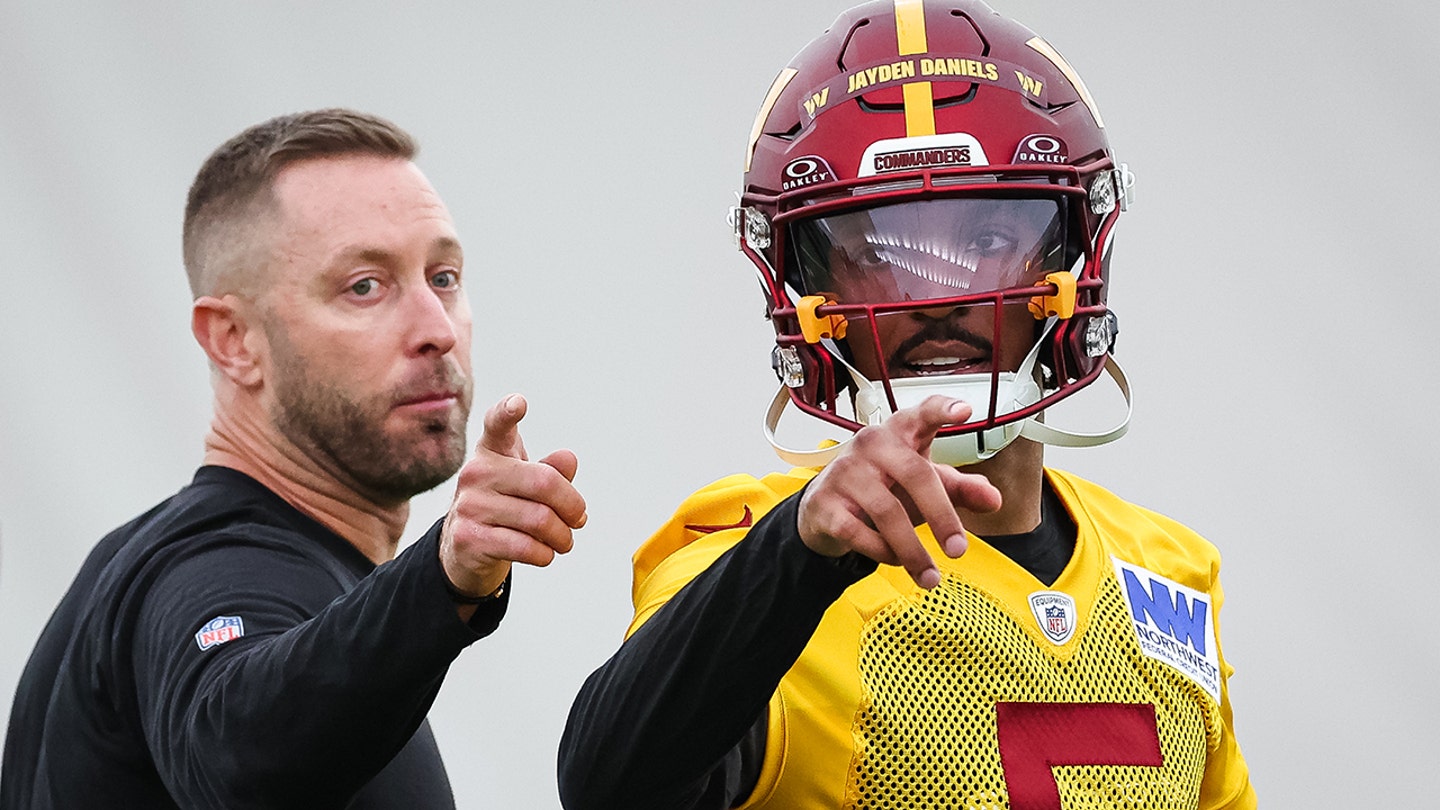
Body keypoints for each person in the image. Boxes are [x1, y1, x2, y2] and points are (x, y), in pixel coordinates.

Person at [557, 2, 1255, 808]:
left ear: (1076, 255)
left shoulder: (1170, 573)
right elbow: (606, 785)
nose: (935, 296)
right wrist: (797, 553)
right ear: (809, 290)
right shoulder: (754, 556)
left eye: (989, 243)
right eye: (878, 251)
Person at [1, 108, 588, 809]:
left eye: (445, 276)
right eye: (364, 285)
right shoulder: (215, 567)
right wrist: (442, 579)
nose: (435, 329)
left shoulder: (208, 561)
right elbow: (239, 753)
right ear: (233, 340)